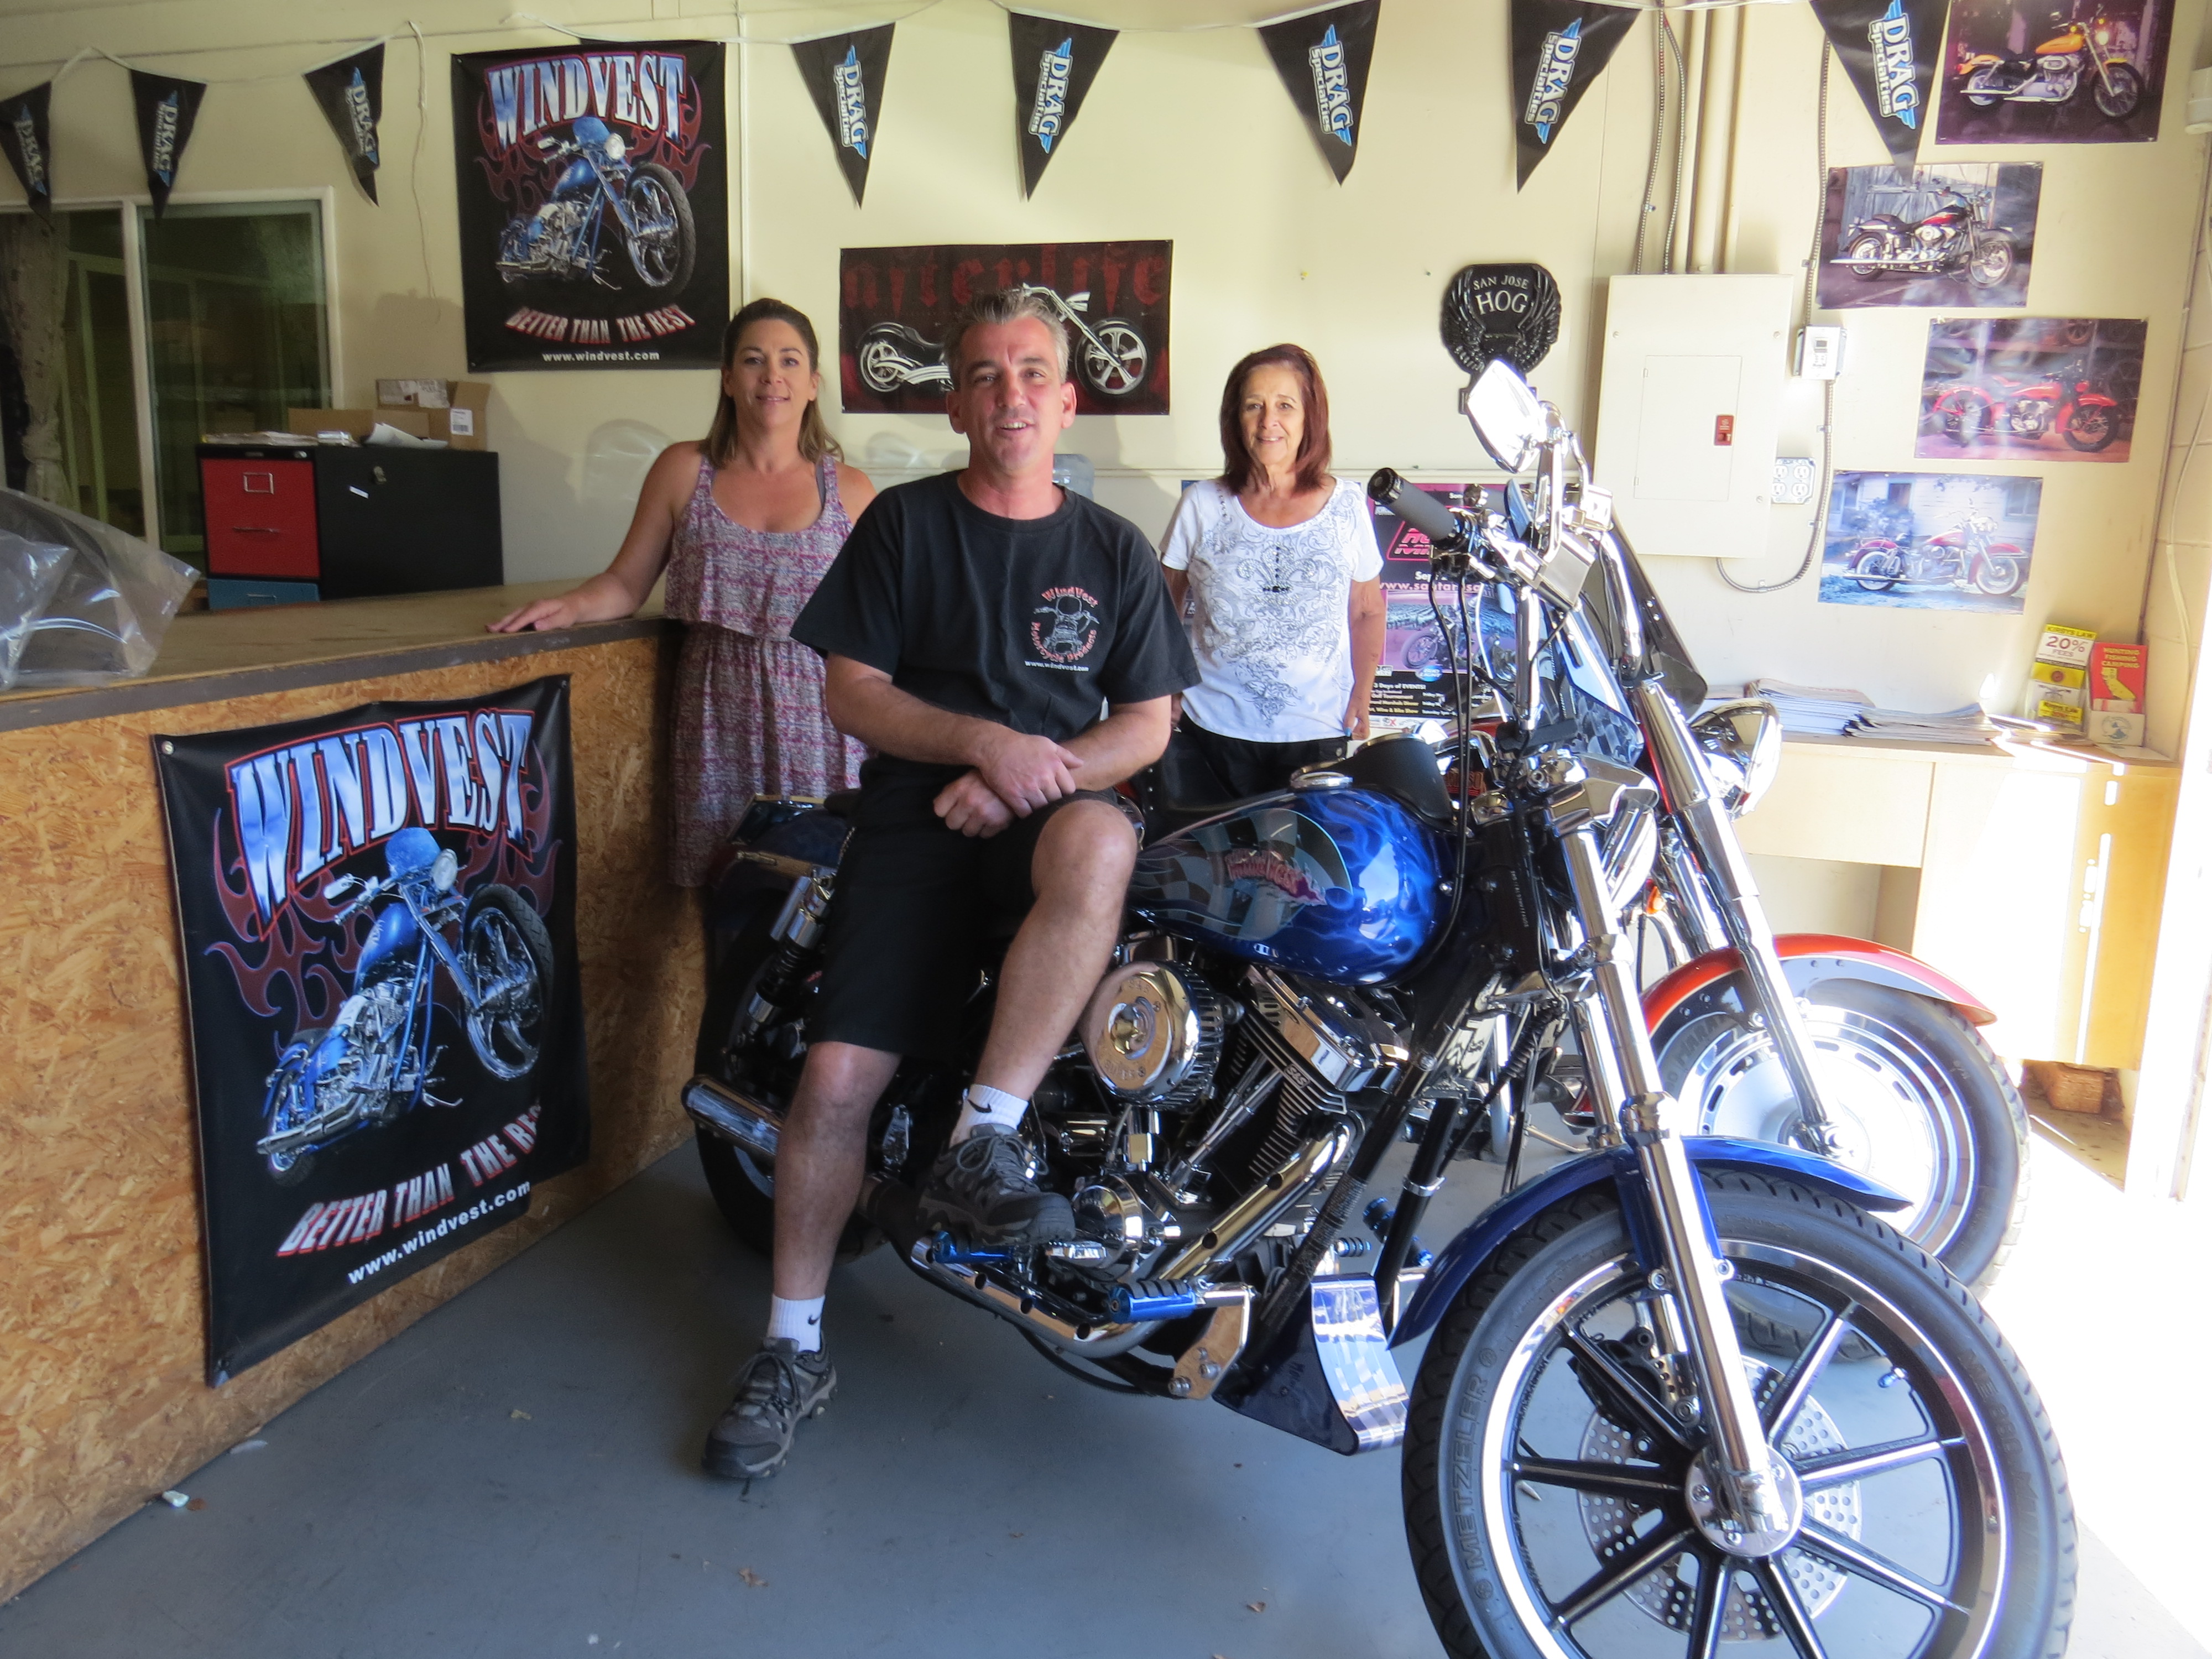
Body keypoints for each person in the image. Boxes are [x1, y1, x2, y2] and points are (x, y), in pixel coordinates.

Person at [701, 288, 1197, 1481]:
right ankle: (789, 1343)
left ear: (1066, 400)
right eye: (985, 375)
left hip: (1043, 818)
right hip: (916, 821)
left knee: (1104, 845)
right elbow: (852, 692)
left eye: (1031, 373)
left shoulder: (1112, 548)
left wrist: (1037, 774)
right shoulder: (906, 527)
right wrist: (983, 745)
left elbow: (1146, 721)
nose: (1009, 394)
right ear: (955, 402)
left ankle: (984, 1139)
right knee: (832, 1084)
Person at [489, 299, 874, 884]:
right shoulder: (681, 470)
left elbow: (883, 623)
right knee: (724, 899)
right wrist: (570, 606)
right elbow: (624, 583)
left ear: (813, 383)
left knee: (827, 895)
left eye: (789, 361)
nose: (772, 376)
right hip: (716, 720)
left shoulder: (851, 489)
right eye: (753, 360)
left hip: (823, 721)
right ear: (727, 378)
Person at [1155, 344, 1385, 804]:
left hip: (1317, 731)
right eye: (1253, 406)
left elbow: (1366, 610)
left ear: (1309, 418)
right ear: (1234, 419)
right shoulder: (1202, 504)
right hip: (1210, 729)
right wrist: (1164, 693)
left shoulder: (1347, 505)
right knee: (1215, 867)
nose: (1268, 421)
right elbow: (1160, 608)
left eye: (1285, 405)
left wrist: (1363, 691)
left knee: (1305, 870)